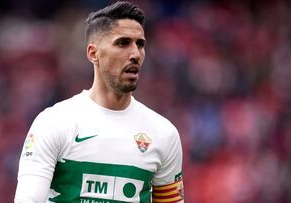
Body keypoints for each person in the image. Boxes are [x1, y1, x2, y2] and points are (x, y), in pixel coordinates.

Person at [14, 1, 184, 203]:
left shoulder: (164, 134)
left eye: (140, 44)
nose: (135, 54)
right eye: (122, 43)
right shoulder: (54, 123)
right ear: (93, 53)